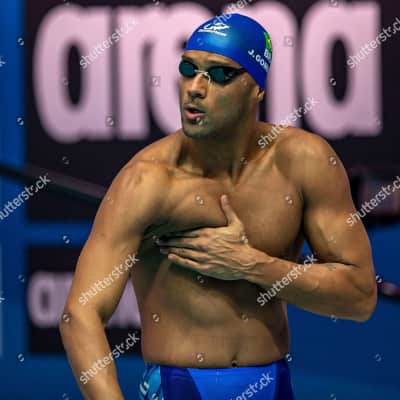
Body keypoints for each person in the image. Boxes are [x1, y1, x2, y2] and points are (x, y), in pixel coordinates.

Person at [60, 13, 377, 400]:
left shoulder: (304, 163)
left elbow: (360, 298)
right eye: (188, 69)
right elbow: (80, 314)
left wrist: (251, 265)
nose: (195, 88)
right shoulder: (148, 182)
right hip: (180, 387)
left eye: (220, 75)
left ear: (257, 89)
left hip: (272, 386)